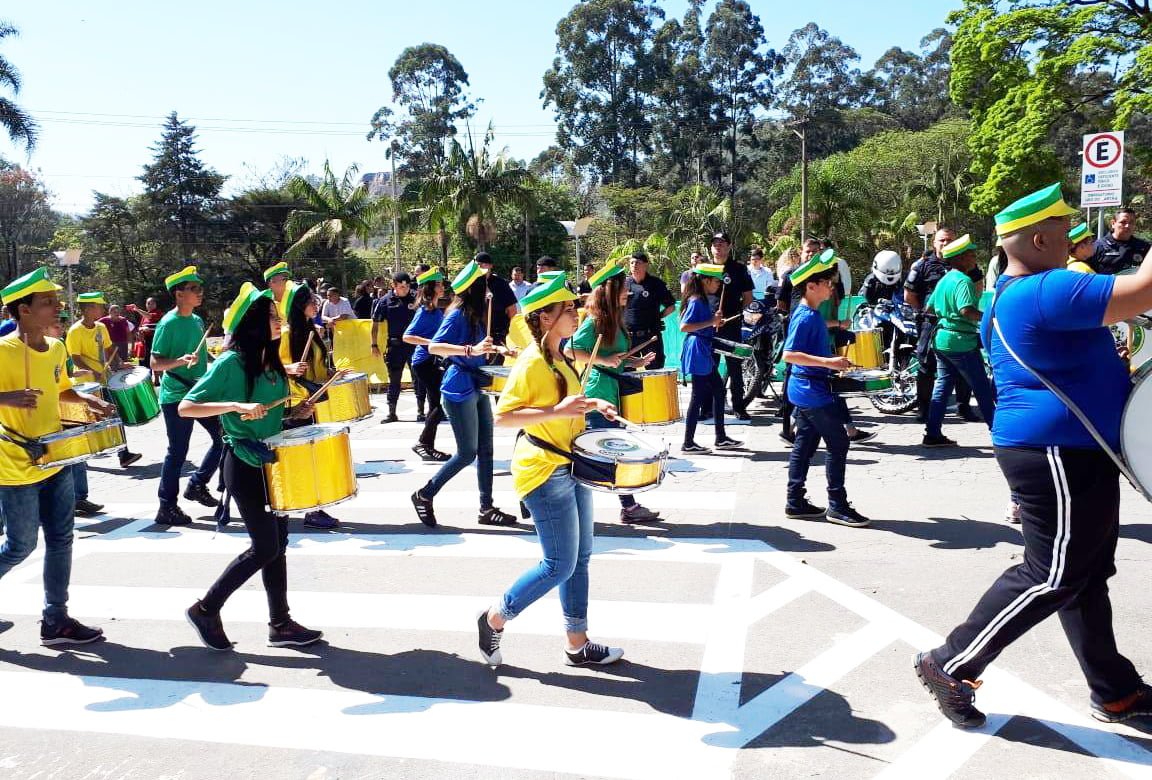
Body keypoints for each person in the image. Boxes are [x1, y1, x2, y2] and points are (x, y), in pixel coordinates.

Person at [914, 182, 1152, 730]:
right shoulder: (1048, 290)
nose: (1072, 242)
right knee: (1053, 572)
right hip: (1056, 451)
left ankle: (1114, 690)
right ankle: (950, 662)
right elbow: (1143, 290)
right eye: (1065, 233)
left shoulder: (1015, 291)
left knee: (1085, 573)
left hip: (1068, 448)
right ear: (1041, 239)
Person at [478, 273, 624, 669]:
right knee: (558, 564)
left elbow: (563, 401)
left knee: (582, 558)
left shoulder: (561, 354)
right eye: (567, 310)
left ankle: (577, 643)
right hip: (543, 470)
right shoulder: (532, 361)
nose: (576, 315)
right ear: (545, 318)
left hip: (572, 462)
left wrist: (593, 404)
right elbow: (504, 416)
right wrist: (557, 412)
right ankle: (494, 617)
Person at [179, 283, 322, 651]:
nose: (280, 322)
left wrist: (295, 414)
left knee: (279, 544)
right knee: (264, 547)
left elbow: (271, 415)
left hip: (274, 462)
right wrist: (233, 406)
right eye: (273, 317)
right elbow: (187, 407)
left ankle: (281, 624)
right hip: (242, 464)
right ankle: (205, 608)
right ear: (255, 322)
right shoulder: (231, 363)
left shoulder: (270, 360)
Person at [0, 267, 110, 645]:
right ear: (24, 310)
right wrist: (5, 398)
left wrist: (87, 398)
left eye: (55, 301)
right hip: (13, 465)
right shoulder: (2, 351)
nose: (57, 307)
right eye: (47, 302)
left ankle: (56, 619)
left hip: (56, 457)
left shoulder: (58, 348)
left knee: (62, 538)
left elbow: (62, 390)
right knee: (20, 546)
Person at [410, 260, 518, 528]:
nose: (489, 290)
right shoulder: (456, 315)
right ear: (475, 289)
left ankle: (486, 508)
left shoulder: (476, 314)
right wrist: (471, 350)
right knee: (467, 452)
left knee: (487, 450)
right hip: (458, 389)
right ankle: (425, 493)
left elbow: (480, 346)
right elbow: (435, 347)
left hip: (477, 386)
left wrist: (500, 350)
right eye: (485, 285)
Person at [780, 252, 870, 528]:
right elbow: (789, 354)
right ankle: (837, 505)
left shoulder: (813, 315)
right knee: (839, 442)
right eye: (827, 283)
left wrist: (835, 362)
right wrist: (828, 362)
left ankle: (795, 502)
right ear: (810, 286)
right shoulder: (805, 316)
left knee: (805, 444)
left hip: (809, 388)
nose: (832, 287)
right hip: (810, 390)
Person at [569, 261, 660, 523]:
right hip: (599, 389)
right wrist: (603, 361)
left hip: (611, 388)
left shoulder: (615, 320)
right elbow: (570, 351)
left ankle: (626, 506)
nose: (628, 293)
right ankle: (627, 506)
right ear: (610, 291)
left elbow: (615, 356)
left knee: (606, 449)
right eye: (623, 289)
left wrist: (635, 362)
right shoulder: (596, 320)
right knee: (604, 449)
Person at [152, 266, 224, 526]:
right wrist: (179, 361)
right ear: (179, 294)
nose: (199, 293)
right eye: (194, 289)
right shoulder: (168, 323)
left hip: (199, 393)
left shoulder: (196, 321)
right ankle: (166, 506)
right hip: (176, 396)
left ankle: (196, 484)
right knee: (178, 452)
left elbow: (203, 355)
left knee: (223, 438)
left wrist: (219, 362)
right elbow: (155, 363)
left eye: (199, 288)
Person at [921, 235, 998, 448]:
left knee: (943, 386)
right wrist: (989, 317)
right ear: (961, 258)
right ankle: (998, 433)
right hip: (961, 342)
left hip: (943, 340)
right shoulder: (963, 281)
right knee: (981, 387)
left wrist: (946, 312)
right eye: (971, 254)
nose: (974, 257)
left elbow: (928, 308)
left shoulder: (945, 279)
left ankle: (932, 434)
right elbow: (966, 310)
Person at [280, 282, 345, 530]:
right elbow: (278, 368)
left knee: (310, 456)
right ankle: (310, 510)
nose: (316, 304)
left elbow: (315, 364)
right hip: (296, 404)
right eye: (311, 300)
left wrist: (329, 372)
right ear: (299, 305)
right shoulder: (288, 333)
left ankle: (310, 508)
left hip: (311, 400)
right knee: (303, 458)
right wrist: (291, 369)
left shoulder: (310, 329)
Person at [905, 227, 980, 423]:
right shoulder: (922, 265)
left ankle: (964, 408)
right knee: (926, 366)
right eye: (942, 240)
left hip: (959, 324)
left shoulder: (966, 263)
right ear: (934, 243)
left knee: (963, 366)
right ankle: (923, 409)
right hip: (930, 324)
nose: (946, 244)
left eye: (949, 240)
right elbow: (909, 295)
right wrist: (924, 314)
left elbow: (978, 286)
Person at [66, 291, 142, 468]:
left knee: (114, 413)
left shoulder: (101, 327)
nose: (103, 309)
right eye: (99, 306)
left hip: (104, 379)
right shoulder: (75, 331)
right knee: (87, 421)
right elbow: (75, 357)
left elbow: (109, 349)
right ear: (88, 308)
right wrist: (93, 371)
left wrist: (120, 363)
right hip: (85, 384)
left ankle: (123, 453)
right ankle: (81, 458)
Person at [680, 263, 742, 454]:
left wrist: (715, 322)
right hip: (698, 349)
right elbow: (685, 326)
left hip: (702, 348)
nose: (718, 284)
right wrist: (710, 322)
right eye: (716, 281)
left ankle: (720, 437)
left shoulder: (702, 299)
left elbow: (702, 324)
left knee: (718, 390)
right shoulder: (697, 300)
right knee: (698, 396)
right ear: (706, 280)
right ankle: (688, 442)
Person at [404, 267, 450, 462]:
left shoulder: (434, 308)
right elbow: (407, 336)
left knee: (435, 406)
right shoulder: (426, 311)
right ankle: (423, 443)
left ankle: (428, 446)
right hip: (424, 363)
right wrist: (431, 343)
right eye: (439, 284)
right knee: (440, 406)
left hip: (432, 362)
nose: (442, 287)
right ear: (431, 287)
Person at [710, 232, 755, 420]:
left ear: (729, 247)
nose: (718, 247)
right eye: (715, 244)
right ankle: (708, 406)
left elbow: (748, 298)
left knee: (735, 368)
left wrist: (735, 314)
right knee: (709, 368)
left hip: (731, 324)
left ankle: (738, 406)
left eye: (722, 243)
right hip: (708, 326)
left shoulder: (738, 269)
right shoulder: (704, 268)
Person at [372, 272, 427, 423]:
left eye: (407, 286)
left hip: (414, 345)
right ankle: (392, 413)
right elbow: (375, 323)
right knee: (394, 379)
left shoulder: (416, 298)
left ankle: (421, 411)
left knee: (418, 378)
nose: (405, 289)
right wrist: (374, 344)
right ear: (394, 286)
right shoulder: (385, 301)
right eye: (402, 286)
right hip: (395, 345)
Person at [624, 251, 676, 370]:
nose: (634, 265)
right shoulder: (623, 284)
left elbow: (671, 306)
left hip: (650, 336)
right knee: (627, 375)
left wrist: (658, 317)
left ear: (646, 265)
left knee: (655, 371)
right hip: (628, 338)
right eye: (631, 263)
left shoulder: (656, 284)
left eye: (638, 262)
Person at [474, 253, 518, 353]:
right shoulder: (472, 283)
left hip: (498, 334)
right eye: (477, 264)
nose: (479, 267)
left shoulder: (501, 284)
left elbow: (512, 311)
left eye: (482, 264)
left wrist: (513, 332)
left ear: (490, 265)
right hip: (476, 333)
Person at [1090, 206, 1149, 275]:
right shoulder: (1098, 247)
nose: (1128, 226)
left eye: (1131, 222)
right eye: (1123, 222)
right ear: (1113, 223)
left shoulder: (1144, 247)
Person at [136, 297, 164, 371]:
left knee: (151, 359)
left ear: (155, 304)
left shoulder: (158, 312)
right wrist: (140, 330)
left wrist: (137, 309)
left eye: (152, 303)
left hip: (154, 340)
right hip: (144, 341)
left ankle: (154, 378)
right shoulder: (144, 316)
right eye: (148, 303)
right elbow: (140, 327)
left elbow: (150, 316)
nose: (150, 305)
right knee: (143, 360)